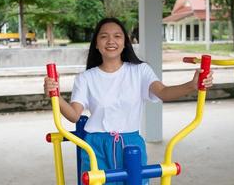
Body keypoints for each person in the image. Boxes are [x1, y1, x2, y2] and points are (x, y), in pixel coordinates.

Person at [44, 17, 213, 185]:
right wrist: (55, 95)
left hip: (131, 145)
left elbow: (163, 92)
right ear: (96, 44)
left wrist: (192, 85)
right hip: (96, 147)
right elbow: (74, 115)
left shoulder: (140, 71)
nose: (111, 41)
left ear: (125, 42)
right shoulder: (86, 78)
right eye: (104, 36)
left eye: (117, 36)